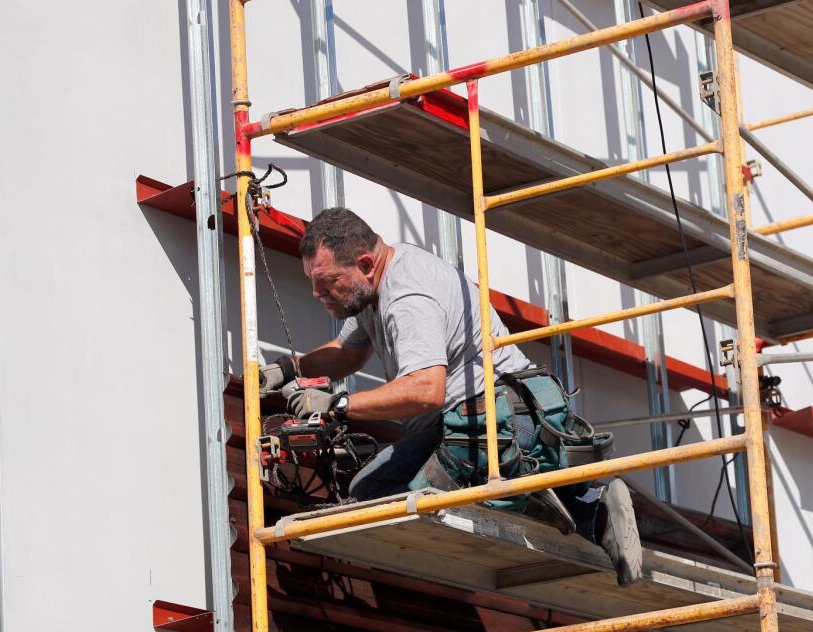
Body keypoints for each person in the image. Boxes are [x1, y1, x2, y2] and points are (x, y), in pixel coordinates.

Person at [258, 207, 642, 586]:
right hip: (498, 415)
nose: (316, 293)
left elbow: (426, 389)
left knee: (385, 499)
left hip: (492, 424)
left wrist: (339, 404)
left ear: (365, 263)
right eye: (312, 281)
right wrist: (291, 369)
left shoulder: (407, 296)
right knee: (370, 491)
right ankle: (586, 506)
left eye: (326, 282)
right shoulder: (379, 283)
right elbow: (349, 352)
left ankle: (545, 495)